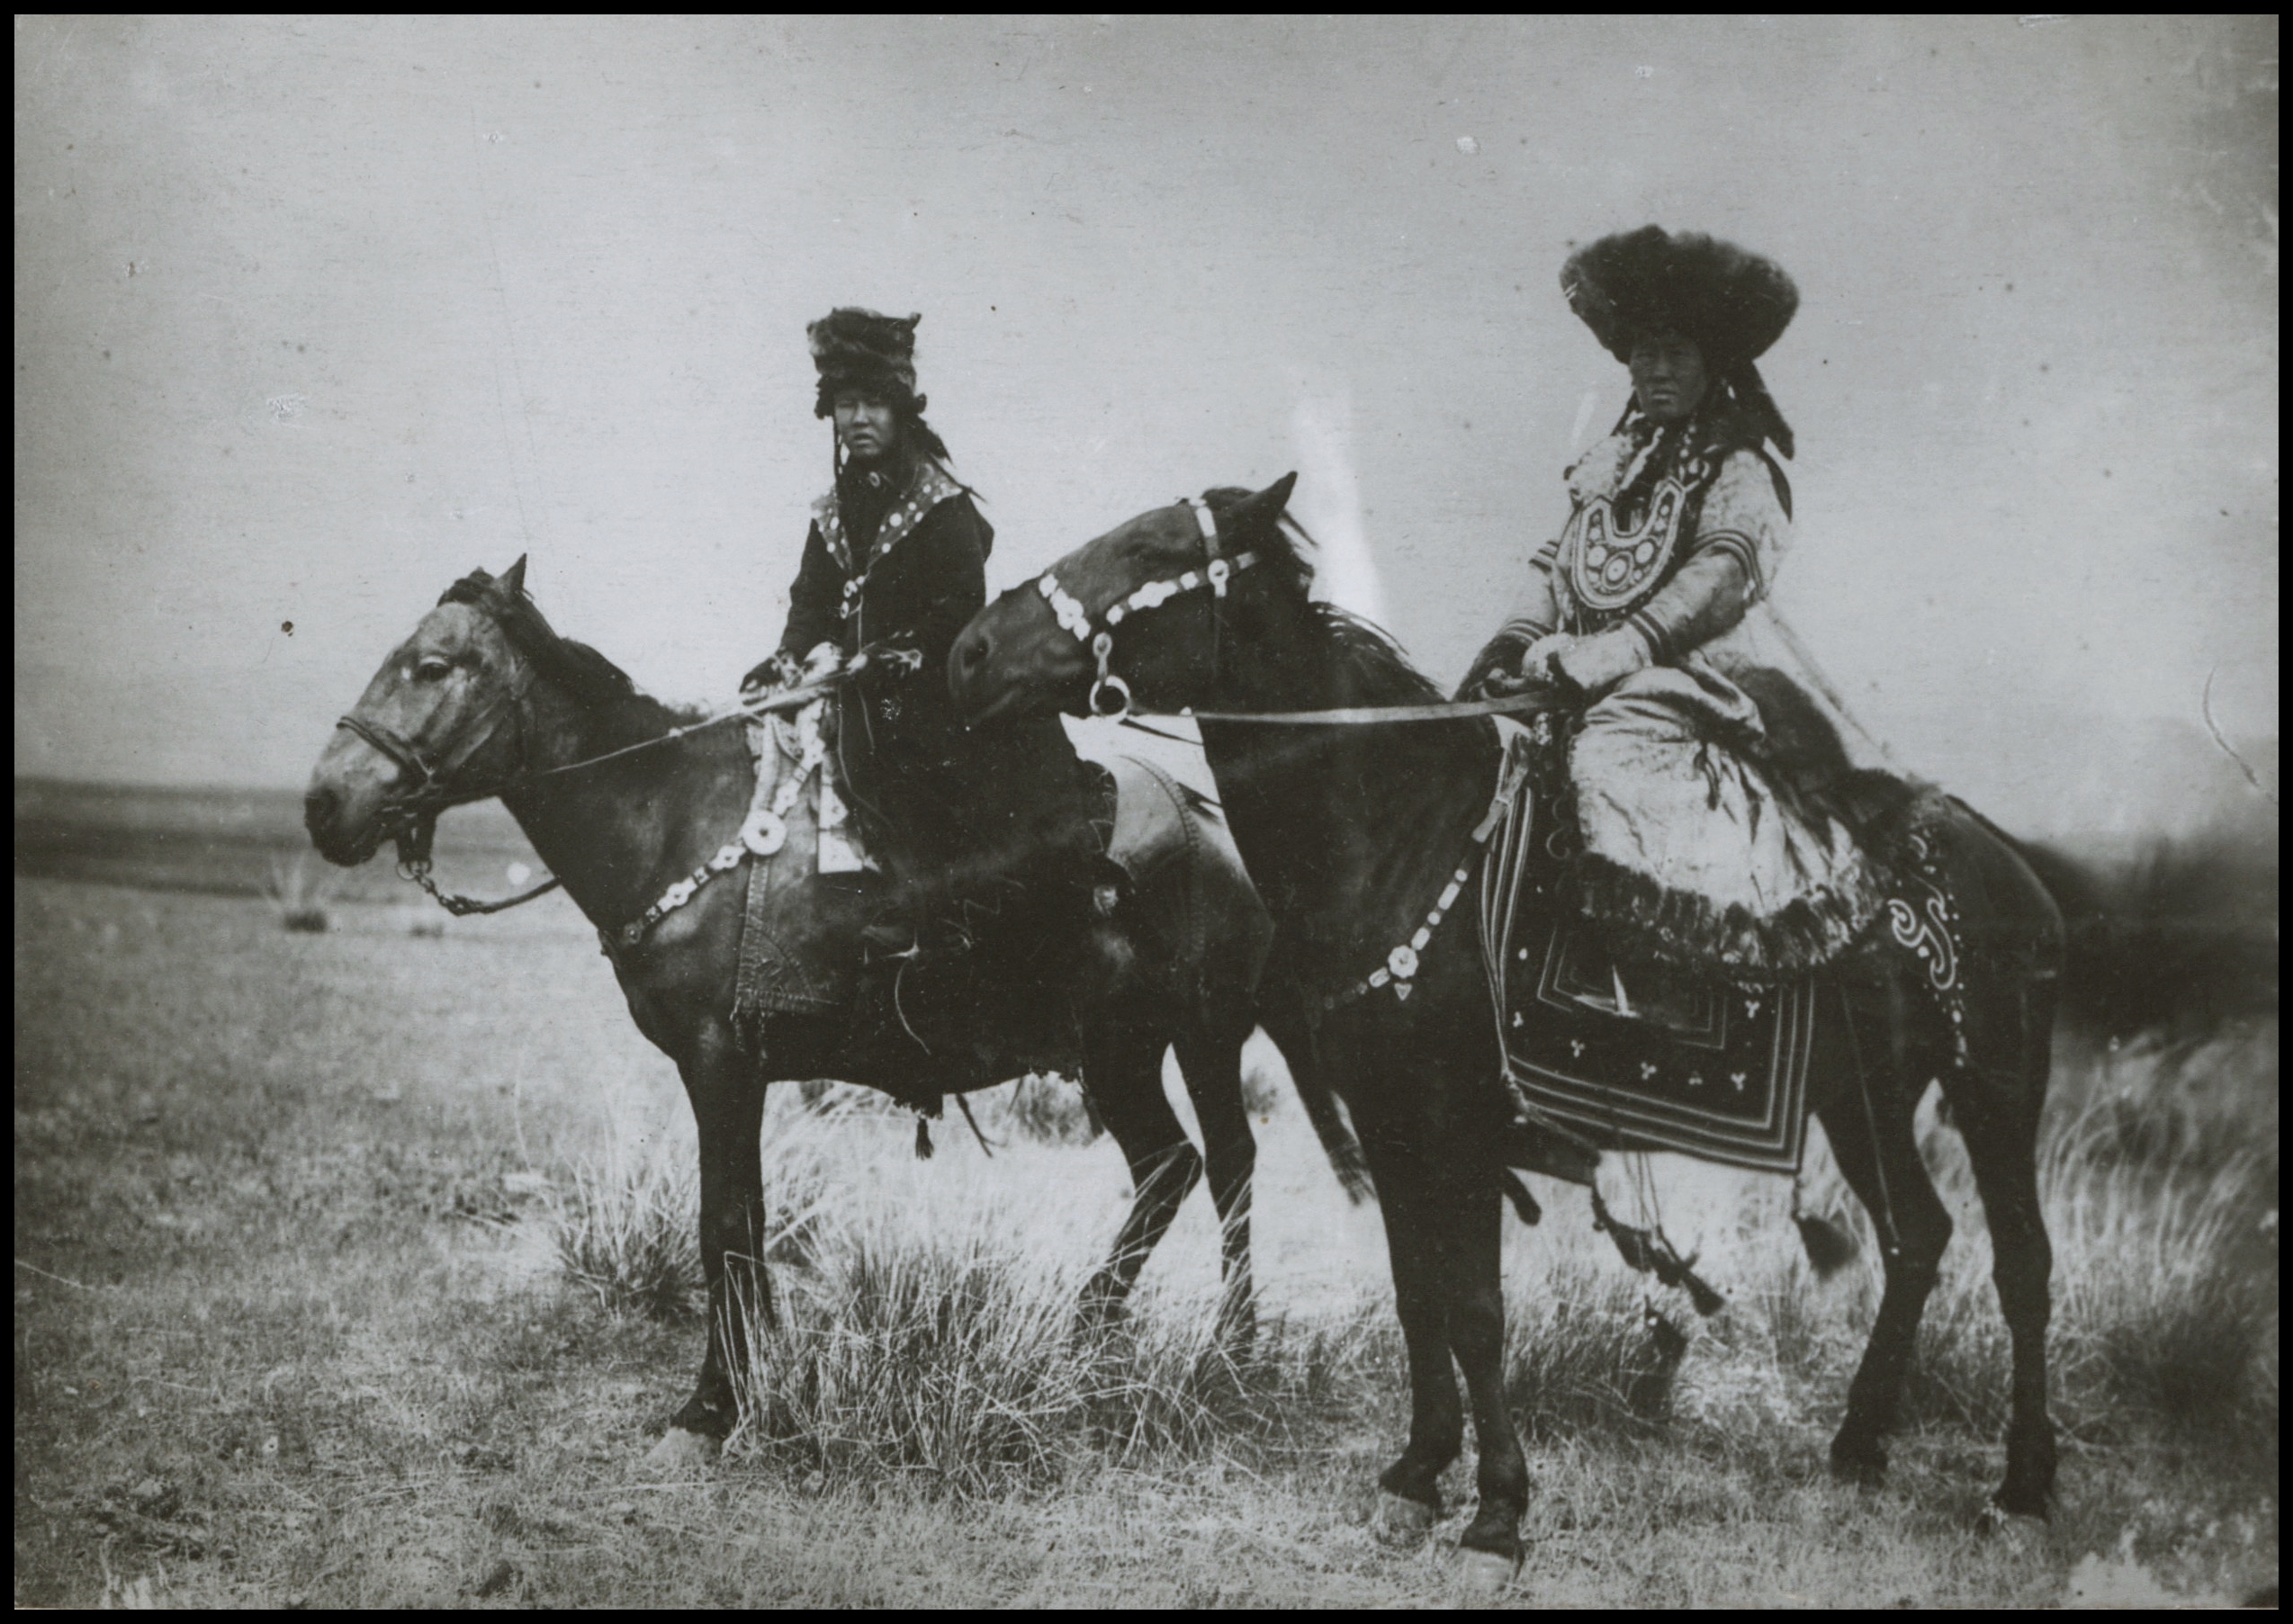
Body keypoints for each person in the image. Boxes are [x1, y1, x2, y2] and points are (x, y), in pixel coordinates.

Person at [1460, 227, 1895, 979]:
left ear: (1710, 363)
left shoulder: (1737, 465)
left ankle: (1663, 967)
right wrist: (1508, 648)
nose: (1657, 370)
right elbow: (1553, 565)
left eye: (1677, 354)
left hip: (1691, 683)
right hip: (1577, 676)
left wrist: (1624, 647)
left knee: (1612, 752)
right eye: (1645, 353)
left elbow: (1723, 572)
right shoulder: (1605, 470)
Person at [745, 309, 1111, 1010]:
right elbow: (810, 599)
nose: (858, 419)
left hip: (932, 682)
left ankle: (931, 912)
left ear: (901, 410)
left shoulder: (942, 505)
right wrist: (788, 655)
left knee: (896, 750)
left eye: (873, 403)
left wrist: (895, 651)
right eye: (846, 404)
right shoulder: (829, 512)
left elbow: (959, 606)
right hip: (854, 685)